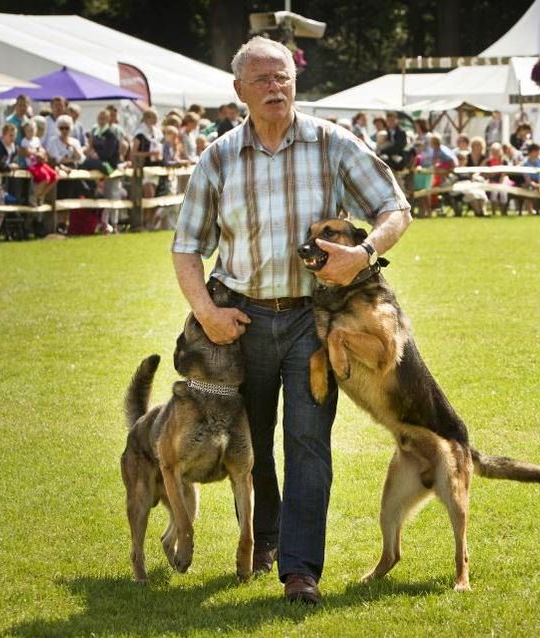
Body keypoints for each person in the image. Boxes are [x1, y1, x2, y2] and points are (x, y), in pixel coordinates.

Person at [171, 35, 411, 605]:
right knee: (249, 440)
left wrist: (366, 252)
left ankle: (300, 570)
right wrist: (207, 313)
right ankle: (264, 538)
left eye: (283, 77)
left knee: (307, 440)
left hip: (315, 319)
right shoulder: (219, 156)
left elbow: (395, 207)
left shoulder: (333, 143)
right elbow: (187, 247)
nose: (276, 87)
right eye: (263, 80)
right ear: (239, 92)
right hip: (242, 322)